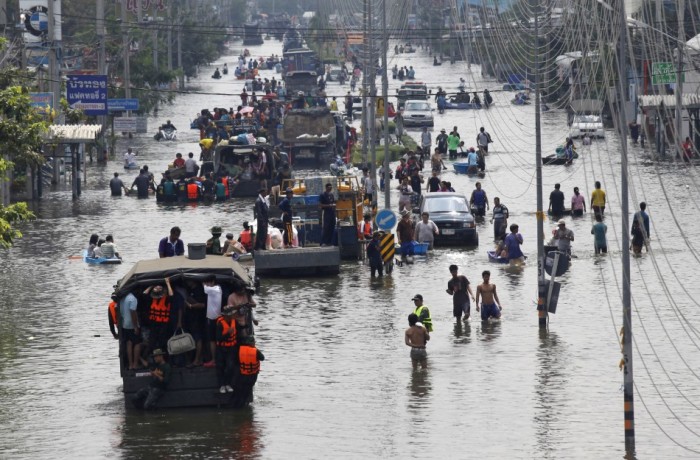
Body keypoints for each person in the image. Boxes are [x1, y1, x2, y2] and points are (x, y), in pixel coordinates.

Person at [144, 277, 179, 352]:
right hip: (153, 323)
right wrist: (151, 286)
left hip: (164, 324)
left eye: (160, 287)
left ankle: (164, 356)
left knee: (163, 341)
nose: (158, 288)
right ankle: (153, 356)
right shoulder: (151, 299)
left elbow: (171, 295)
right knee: (152, 342)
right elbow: (144, 294)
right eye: (156, 287)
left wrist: (168, 283)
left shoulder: (166, 299)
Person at [231, 336, 265, 408]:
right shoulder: (255, 351)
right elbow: (262, 358)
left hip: (242, 374)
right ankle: (242, 407)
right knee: (246, 392)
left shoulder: (240, 349)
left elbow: (235, 360)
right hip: (252, 376)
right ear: (252, 343)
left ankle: (234, 406)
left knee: (239, 390)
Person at [215, 305, 238, 394]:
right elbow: (218, 337)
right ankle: (222, 385)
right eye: (229, 315)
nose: (231, 317)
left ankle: (228, 384)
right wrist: (227, 333)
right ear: (225, 315)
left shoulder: (234, 321)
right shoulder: (220, 323)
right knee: (220, 366)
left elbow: (237, 332)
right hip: (221, 348)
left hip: (231, 348)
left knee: (230, 366)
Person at [119, 291, 142, 370]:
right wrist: (135, 326)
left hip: (124, 324)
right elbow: (133, 311)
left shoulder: (122, 298)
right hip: (132, 325)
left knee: (129, 343)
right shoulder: (133, 299)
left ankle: (130, 365)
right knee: (137, 343)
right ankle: (135, 364)